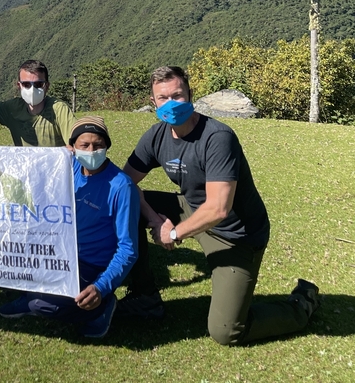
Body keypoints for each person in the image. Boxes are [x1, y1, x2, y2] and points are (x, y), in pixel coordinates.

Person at [119, 65, 321, 346]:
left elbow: (218, 209)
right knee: (122, 204)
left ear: (190, 94)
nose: (171, 104)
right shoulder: (157, 136)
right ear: (153, 103)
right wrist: (154, 218)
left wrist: (173, 233)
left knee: (227, 331)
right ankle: (144, 297)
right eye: (163, 98)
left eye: (177, 95)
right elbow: (123, 184)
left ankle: (302, 304)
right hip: (192, 209)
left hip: (236, 235)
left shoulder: (217, 138)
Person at [0, 115, 139, 339]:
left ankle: (102, 307)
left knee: (41, 305)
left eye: (98, 145)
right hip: (59, 252)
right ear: (73, 147)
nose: (91, 150)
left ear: (107, 146)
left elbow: (128, 248)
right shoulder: (67, 166)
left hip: (91, 264)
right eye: (84, 145)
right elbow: (24, 171)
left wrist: (101, 287)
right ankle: (30, 293)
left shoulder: (121, 186)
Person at [0, 59, 75, 147]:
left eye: (38, 85)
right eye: (26, 84)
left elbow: (78, 139)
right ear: (19, 86)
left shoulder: (58, 110)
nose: (32, 89)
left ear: (46, 86)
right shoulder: (13, 108)